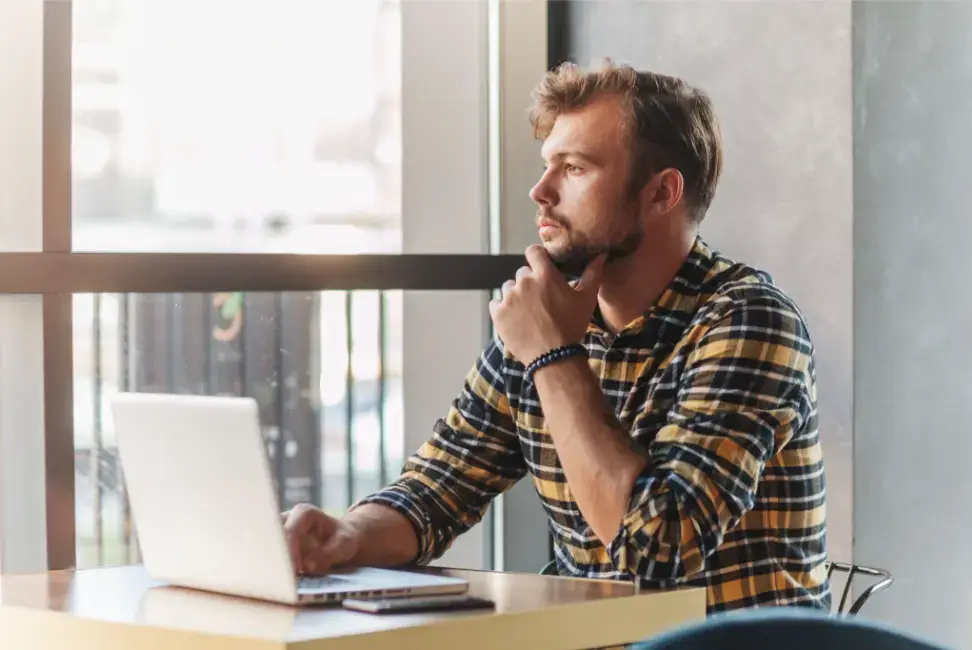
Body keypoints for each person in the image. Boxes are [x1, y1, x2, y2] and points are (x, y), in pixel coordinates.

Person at [283, 60, 830, 612]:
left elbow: (658, 547)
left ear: (662, 192)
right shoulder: (553, 318)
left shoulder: (748, 322)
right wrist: (345, 534)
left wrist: (554, 354)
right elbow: (437, 489)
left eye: (574, 168)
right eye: (549, 165)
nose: (539, 191)